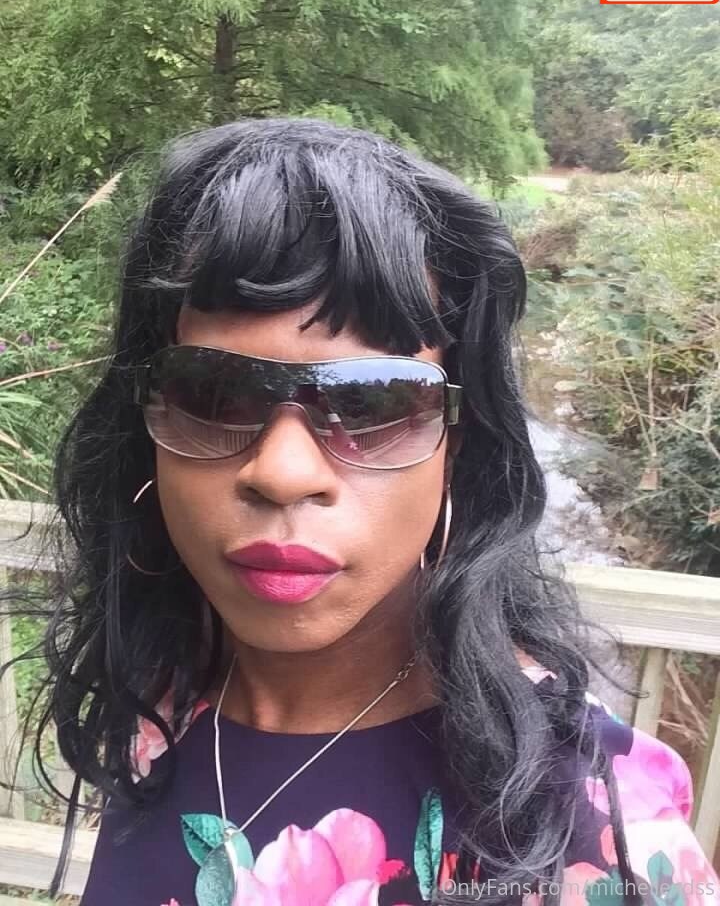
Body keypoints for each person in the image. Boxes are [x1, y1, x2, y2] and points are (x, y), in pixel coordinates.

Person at [13, 119, 719, 906]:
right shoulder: (158, 702)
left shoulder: (595, 830)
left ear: (460, 447)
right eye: (213, 394)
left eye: (374, 405)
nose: (282, 473)